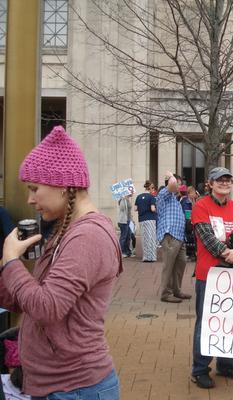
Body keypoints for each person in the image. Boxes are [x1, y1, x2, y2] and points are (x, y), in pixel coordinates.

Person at [0, 125, 122, 399]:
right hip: (59, 386)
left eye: (34, 188)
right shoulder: (66, 229)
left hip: (74, 388)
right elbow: (27, 300)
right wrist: (7, 269)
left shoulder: (88, 236)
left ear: (64, 186)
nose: (30, 199)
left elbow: (47, 307)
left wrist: (11, 261)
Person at [190, 167, 233, 389]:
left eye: (228, 180)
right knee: (207, 323)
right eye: (219, 180)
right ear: (210, 183)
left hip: (232, 277)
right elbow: (210, 242)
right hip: (209, 275)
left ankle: (225, 363)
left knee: (229, 321)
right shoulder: (200, 206)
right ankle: (200, 369)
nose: (224, 183)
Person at [156, 172, 191, 303]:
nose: (180, 186)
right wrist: (171, 175)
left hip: (179, 236)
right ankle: (165, 293)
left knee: (180, 263)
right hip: (170, 235)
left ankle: (176, 290)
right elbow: (171, 184)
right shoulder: (164, 195)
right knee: (169, 265)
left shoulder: (175, 200)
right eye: (179, 183)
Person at [135, 180, 158, 262]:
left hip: (141, 219)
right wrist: (157, 211)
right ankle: (151, 257)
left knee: (144, 238)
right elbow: (152, 209)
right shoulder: (151, 197)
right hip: (150, 219)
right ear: (150, 188)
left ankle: (145, 257)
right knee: (151, 238)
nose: (153, 190)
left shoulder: (138, 197)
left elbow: (135, 209)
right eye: (153, 188)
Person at [180, 186, 199, 261]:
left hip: (193, 221)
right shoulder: (185, 201)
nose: (194, 194)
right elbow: (186, 212)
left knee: (193, 237)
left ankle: (193, 253)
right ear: (189, 193)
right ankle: (189, 253)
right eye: (193, 193)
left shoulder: (195, 201)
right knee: (187, 237)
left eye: (194, 192)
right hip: (187, 221)